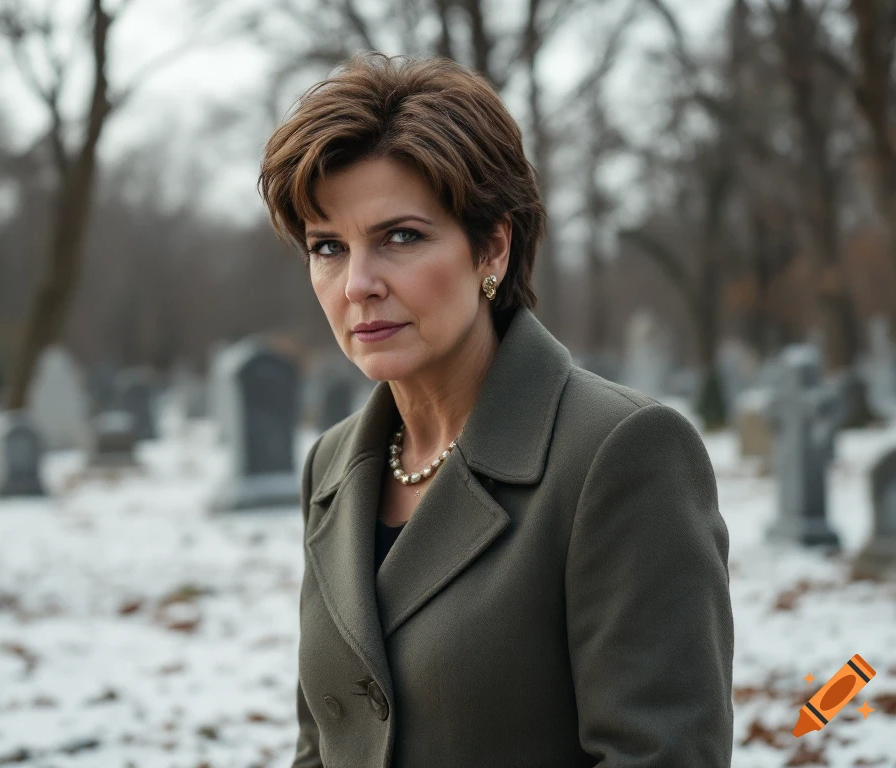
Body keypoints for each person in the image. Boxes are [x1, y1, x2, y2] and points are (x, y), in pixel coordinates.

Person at [257, 51, 734, 768]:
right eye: (329, 247)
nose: (358, 284)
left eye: (401, 237)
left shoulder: (620, 454)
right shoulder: (332, 467)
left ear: (494, 249)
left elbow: (660, 755)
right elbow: (323, 745)